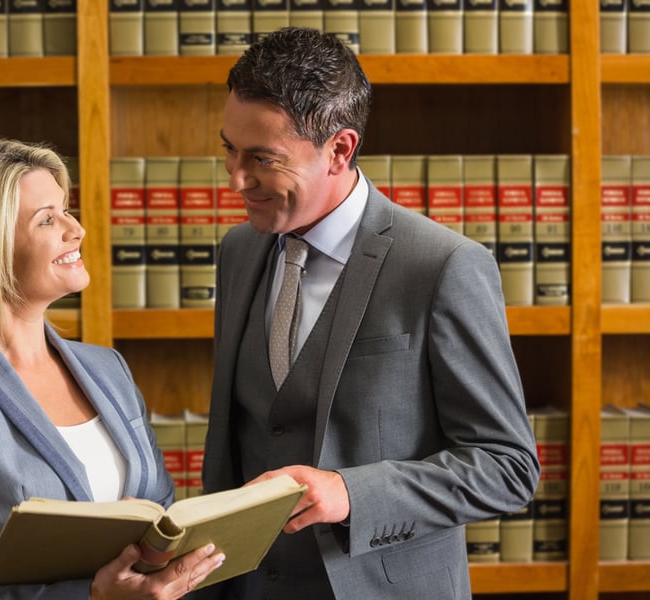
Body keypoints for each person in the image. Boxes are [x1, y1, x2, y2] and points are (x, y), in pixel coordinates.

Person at [200, 27, 541, 599]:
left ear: (340, 150)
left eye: (263, 159)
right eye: (229, 150)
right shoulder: (239, 251)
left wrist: (352, 493)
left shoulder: (443, 265)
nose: (236, 179)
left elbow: (506, 467)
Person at [0, 138, 225, 600]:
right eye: (47, 219)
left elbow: (161, 515)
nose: (75, 230)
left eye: (66, 210)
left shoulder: (108, 368)